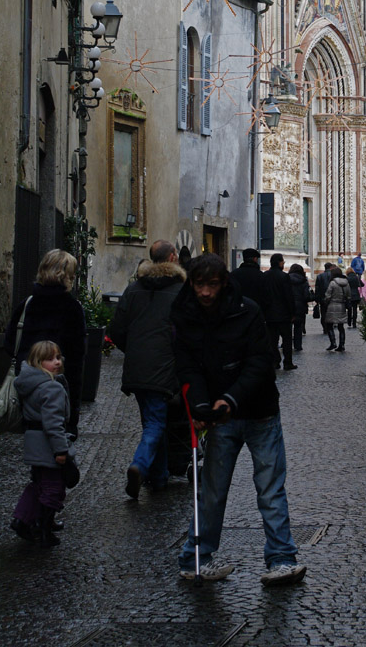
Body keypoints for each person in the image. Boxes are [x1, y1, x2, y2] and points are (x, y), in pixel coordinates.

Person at [172, 254, 306, 586]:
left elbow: (260, 361)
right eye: (199, 285)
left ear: (224, 284)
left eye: (212, 285)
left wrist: (230, 399)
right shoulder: (185, 314)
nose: (205, 292)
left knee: (270, 487)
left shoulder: (247, 311)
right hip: (220, 418)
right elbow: (187, 365)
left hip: (259, 411)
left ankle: (282, 558)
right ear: (191, 284)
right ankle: (196, 558)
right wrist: (199, 405)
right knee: (212, 490)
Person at [108, 239, 185, 498]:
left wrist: (134, 351)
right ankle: (140, 465)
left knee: (153, 420)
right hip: (164, 366)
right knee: (155, 422)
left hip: (138, 366)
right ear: (172, 257)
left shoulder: (133, 289)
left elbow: (117, 330)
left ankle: (159, 476)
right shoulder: (180, 291)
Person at [4, 249, 86, 438]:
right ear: (67, 276)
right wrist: (73, 417)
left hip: (27, 386)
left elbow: (10, 344)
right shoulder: (72, 309)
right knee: (57, 439)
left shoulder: (27, 304)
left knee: (33, 435)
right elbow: (76, 361)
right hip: (58, 385)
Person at [11, 341, 75, 547]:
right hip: (48, 446)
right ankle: (44, 529)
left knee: (38, 483)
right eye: (50, 359)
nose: (57, 362)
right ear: (37, 362)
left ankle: (22, 520)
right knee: (53, 487)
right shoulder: (51, 387)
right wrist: (61, 450)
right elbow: (53, 424)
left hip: (33, 443)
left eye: (58, 357)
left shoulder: (29, 383)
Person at [263, 253, 297, 371]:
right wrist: (293, 313)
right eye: (283, 262)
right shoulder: (284, 276)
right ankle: (287, 362)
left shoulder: (265, 276)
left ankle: (275, 361)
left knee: (272, 340)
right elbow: (289, 296)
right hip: (284, 314)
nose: (283, 264)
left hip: (270, 314)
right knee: (287, 340)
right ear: (279, 262)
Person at [231, 248, 270, 313]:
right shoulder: (261, 276)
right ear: (255, 259)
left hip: (237, 311)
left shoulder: (234, 274)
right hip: (255, 312)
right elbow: (266, 297)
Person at [324, 266, 350, 352]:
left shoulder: (332, 283)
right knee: (341, 326)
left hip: (332, 305)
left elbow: (328, 295)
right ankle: (341, 345)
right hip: (342, 306)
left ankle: (333, 343)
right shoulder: (346, 283)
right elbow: (348, 295)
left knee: (329, 325)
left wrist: (326, 302)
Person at [288, 263, 313, 351]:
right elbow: (306, 296)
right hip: (300, 306)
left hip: (288, 305)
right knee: (298, 326)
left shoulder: (286, 279)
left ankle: (286, 344)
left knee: (288, 326)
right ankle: (298, 345)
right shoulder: (304, 281)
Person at [314, 262, 334, 328]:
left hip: (322, 297)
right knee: (331, 313)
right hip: (332, 297)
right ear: (331, 267)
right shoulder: (333, 275)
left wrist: (317, 298)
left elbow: (317, 288)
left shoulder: (320, 276)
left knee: (323, 313)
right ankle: (330, 327)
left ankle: (325, 327)